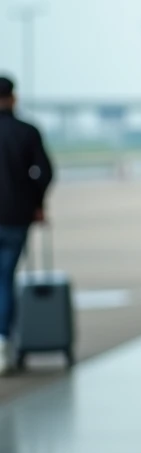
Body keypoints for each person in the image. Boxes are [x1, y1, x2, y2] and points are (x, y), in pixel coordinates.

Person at [0, 76, 54, 373]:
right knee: (5, 279)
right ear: (13, 98)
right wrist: (36, 203)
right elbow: (45, 172)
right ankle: (4, 341)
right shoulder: (27, 131)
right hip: (15, 218)